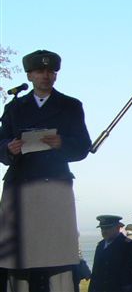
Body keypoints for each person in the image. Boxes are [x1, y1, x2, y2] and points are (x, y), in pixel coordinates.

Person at [0, 49, 91, 292]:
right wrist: (9, 148)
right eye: (40, 71)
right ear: (29, 75)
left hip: (55, 188)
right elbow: (0, 146)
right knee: (18, 259)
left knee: (58, 259)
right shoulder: (14, 108)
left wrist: (63, 144)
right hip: (20, 188)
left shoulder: (71, 106)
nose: (46, 76)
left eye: (51, 71)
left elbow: (83, 146)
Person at [89, 215, 129, 292]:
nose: (104, 231)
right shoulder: (100, 246)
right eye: (102, 228)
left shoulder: (127, 245)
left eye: (108, 228)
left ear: (118, 228)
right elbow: (95, 272)